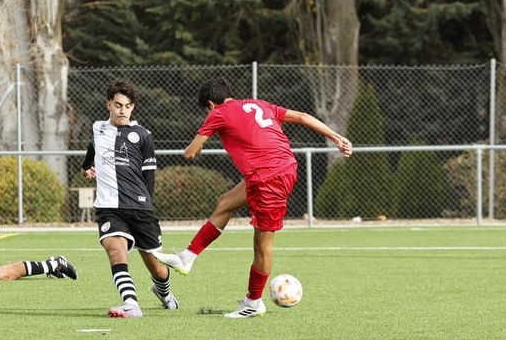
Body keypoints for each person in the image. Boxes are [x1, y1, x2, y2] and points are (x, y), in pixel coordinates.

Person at [155, 77, 352, 318]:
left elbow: (190, 153)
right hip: (281, 167)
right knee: (226, 202)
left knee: (262, 244)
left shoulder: (218, 113)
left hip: (269, 177)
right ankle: (187, 257)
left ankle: (253, 302)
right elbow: (302, 116)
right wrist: (336, 137)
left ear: (210, 104)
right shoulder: (258, 104)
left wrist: (200, 145)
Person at [82, 79, 178, 318]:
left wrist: (148, 205)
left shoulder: (143, 135)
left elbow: (149, 175)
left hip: (140, 209)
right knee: (116, 252)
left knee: (156, 267)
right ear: (108, 105)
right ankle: (131, 304)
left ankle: (164, 292)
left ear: (132, 107)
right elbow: (92, 148)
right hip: (109, 208)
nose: (122, 110)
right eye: (118, 105)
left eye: (127, 106)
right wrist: (86, 167)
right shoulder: (98, 128)